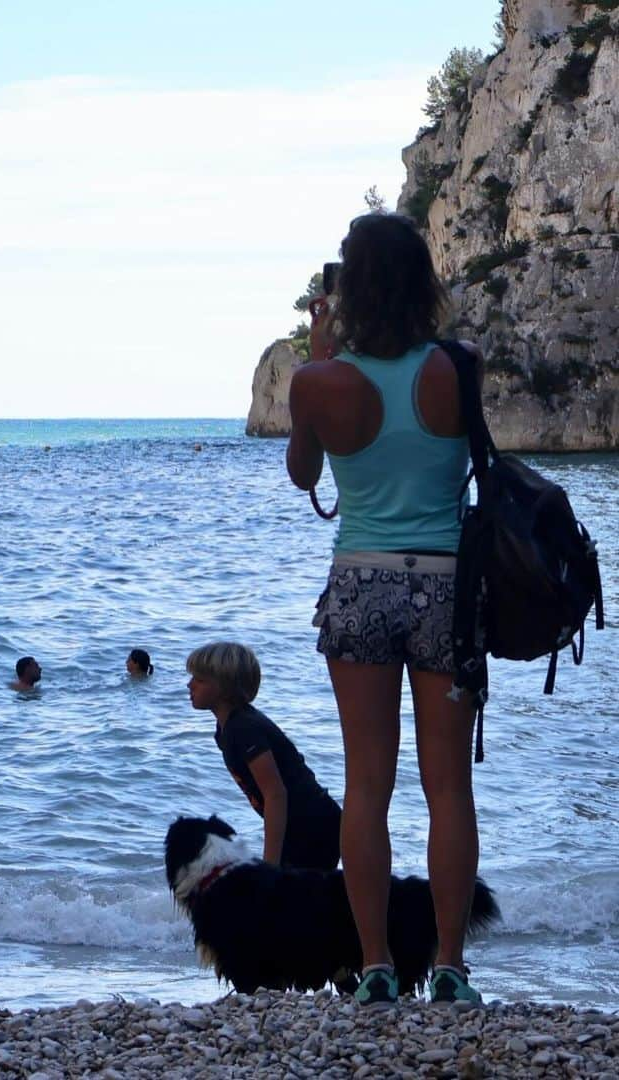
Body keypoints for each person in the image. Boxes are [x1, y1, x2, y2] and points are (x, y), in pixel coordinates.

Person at [286, 211, 483, 1007]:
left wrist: (322, 356)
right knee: (449, 789)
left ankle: (373, 967)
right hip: (445, 582)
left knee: (367, 784)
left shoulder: (319, 382)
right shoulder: (459, 366)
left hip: (362, 580)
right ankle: (451, 969)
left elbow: (305, 477)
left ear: (351, 287)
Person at [186, 641, 341, 871]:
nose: (189, 685)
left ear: (224, 686)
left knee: (292, 899)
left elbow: (275, 794)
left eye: (199, 679)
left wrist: (270, 866)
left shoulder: (244, 728)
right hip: (299, 827)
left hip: (314, 826)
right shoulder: (226, 730)